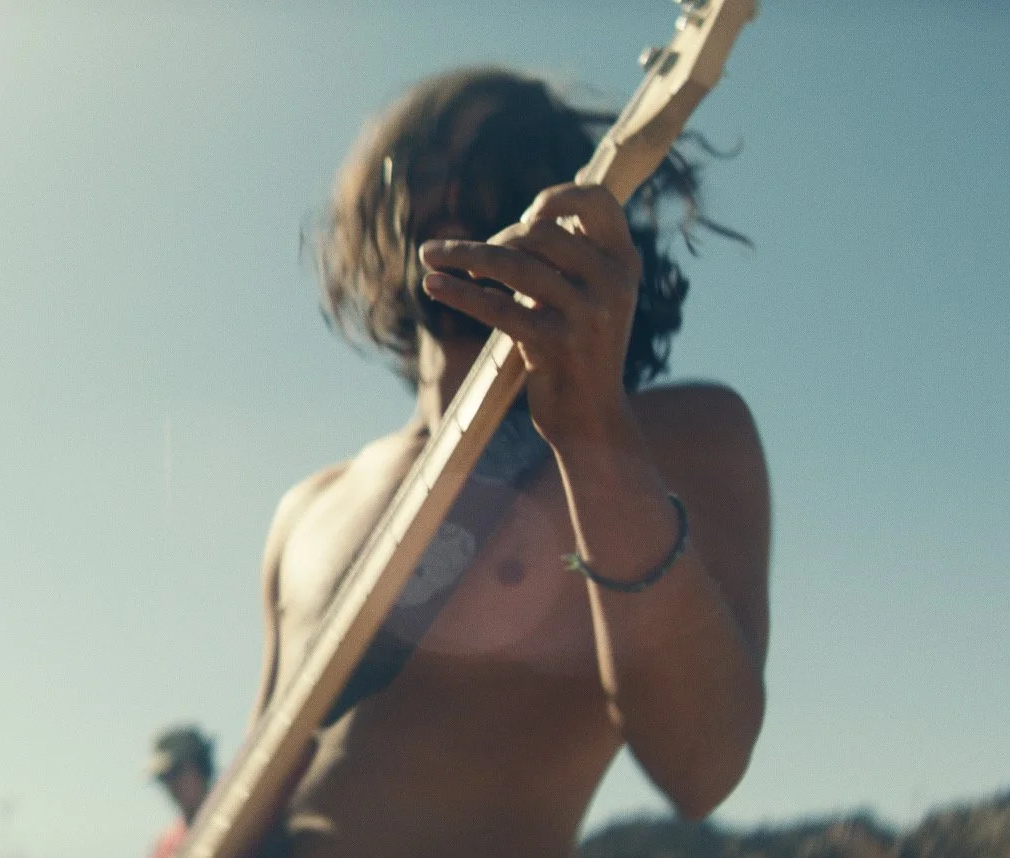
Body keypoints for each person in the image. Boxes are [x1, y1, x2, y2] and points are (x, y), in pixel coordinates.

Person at [252, 67, 771, 856]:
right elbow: (260, 773)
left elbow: (704, 768)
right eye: (426, 164)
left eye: (501, 160)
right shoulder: (310, 505)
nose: (456, 192)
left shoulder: (679, 436)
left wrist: (594, 433)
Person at [147, 724, 214, 858]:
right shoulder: (167, 847)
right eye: (164, 778)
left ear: (199, 765)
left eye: (176, 772)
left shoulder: (244, 816)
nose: (172, 785)